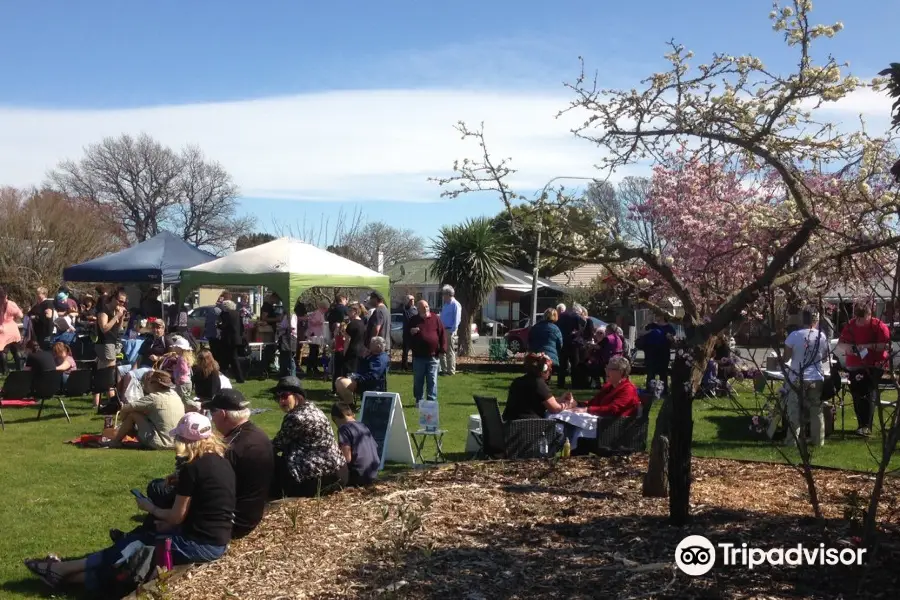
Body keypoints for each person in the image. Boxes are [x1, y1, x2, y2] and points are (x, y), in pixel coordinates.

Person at [25, 412, 235, 594]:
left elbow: (175, 516)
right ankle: (63, 572)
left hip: (202, 544)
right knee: (136, 543)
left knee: (133, 553)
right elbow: (207, 504)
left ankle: (62, 572)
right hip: (215, 538)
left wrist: (150, 507)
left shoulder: (193, 468)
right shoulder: (219, 461)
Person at [204, 389, 274, 538]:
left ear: (223, 414)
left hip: (232, 523)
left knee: (160, 490)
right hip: (250, 514)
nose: (212, 418)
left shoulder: (233, 447)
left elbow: (210, 487)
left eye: (212, 412)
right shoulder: (257, 435)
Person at [270, 376, 348, 497]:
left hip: (321, 479)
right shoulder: (313, 408)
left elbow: (276, 445)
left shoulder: (295, 417)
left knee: (267, 459)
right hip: (339, 471)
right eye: (277, 398)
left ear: (297, 395)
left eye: (284, 396)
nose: (281, 401)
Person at [837, 305, 890, 437]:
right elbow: (841, 344)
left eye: (863, 319)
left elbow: (884, 346)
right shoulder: (851, 325)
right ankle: (861, 424)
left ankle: (866, 425)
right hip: (854, 364)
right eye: (858, 318)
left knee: (867, 392)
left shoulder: (878, 326)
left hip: (873, 365)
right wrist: (851, 349)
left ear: (869, 315)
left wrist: (867, 346)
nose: (860, 322)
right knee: (856, 394)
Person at [783, 310, 830, 447]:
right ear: (815, 321)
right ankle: (818, 441)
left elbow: (786, 357)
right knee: (816, 410)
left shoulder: (794, 336)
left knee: (794, 410)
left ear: (801, 320)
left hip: (798, 376)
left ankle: (792, 440)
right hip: (815, 376)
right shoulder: (821, 336)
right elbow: (825, 357)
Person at [110, 370, 185, 450]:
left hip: (160, 443)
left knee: (133, 414)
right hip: (178, 442)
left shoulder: (153, 397)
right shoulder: (175, 395)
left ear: (155, 384)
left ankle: (115, 441)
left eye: (149, 382)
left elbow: (125, 408)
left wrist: (125, 422)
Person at [503, 352, 574, 421]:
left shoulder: (517, 381)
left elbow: (541, 399)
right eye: (550, 370)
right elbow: (555, 409)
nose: (550, 373)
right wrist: (568, 404)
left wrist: (561, 399)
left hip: (509, 426)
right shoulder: (538, 383)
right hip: (529, 426)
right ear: (544, 370)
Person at [566, 356, 641, 417]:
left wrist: (587, 410)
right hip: (601, 424)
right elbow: (593, 403)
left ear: (620, 372)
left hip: (614, 429)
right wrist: (577, 404)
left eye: (610, 369)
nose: (606, 371)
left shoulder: (628, 389)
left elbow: (613, 409)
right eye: (606, 368)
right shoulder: (609, 386)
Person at [406, 299, 446, 405]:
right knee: (418, 380)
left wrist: (443, 349)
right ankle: (419, 400)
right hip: (418, 356)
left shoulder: (435, 318)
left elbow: (442, 334)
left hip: (433, 356)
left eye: (427, 306)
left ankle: (431, 401)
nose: (426, 308)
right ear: (418, 309)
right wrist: (411, 332)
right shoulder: (413, 320)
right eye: (423, 307)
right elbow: (406, 335)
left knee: (432, 380)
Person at [330, 402, 379, 487]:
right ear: (352, 414)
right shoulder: (363, 425)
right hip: (373, 470)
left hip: (358, 474)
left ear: (335, 418)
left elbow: (347, 458)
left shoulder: (344, 429)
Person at [93, 288, 127, 407]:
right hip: (105, 344)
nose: (121, 304)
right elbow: (104, 328)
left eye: (124, 302)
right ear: (113, 298)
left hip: (111, 343)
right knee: (109, 373)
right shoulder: (104, 311)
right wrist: (116, 316)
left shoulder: (114, 312)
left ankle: (96, 402)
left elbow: (118, 330)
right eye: (120, 301)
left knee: (102, 373)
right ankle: (112, 400)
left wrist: (121, 317)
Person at [335, 336, 390, 404]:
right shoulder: (372, 355)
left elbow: (373, 375)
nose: (369, 345)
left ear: (378, 346)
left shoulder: (380, 359)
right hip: (363, 381)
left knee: (341, 382)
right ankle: (347, 402)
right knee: (339, 380)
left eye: (372, 344)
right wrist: (363, 357)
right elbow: (363, 368)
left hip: (370, 385)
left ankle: (349, 404)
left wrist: (357, 377)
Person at [642, 313, 677, 395]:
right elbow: (642, 331)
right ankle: (650, 389)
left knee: (663, 372)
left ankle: (664, 390)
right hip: (651, 352)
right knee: (651, 372)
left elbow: (673, 338)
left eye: (657, 315)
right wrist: (647, 321)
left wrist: (669, 337)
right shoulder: (652, 325)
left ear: (663, 316)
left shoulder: (669, 327)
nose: (656, 316)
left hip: (663, 352)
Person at [555, 305, 586, 388]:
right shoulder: (577, 317)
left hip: (563, 342)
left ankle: (560, 383)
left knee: (562, 364)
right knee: (574, 364)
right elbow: (583, 325)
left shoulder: (561, 316)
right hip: (573, 343)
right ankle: (575, 384)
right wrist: (578, 333)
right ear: (578, 311)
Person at [217, 299, 245, 384]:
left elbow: (224, 325)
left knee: (230, 358)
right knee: (231, 358)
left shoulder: (226, 314)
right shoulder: (237, 314)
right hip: (236, 339)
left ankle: (239, 378)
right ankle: (236, 377)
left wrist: (218, 325)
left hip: (228, 339)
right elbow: (242, 327)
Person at [0, 286, 24, 374]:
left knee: (3, 351)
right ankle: (20, 369)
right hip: (12, 328)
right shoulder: (11, 304)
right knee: (16, 350)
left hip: (2, 329)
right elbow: (20, 315)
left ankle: (4, 371)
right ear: (6, 295)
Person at [439, 285, 461, 376]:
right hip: (442, 330)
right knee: (442, 350)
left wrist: (452, 331)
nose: (443, 296)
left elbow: (457, 319)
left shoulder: (455, 304)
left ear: (448, 294)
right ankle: (443, 370)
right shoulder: (445, 305)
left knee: (449, 351)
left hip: (449, 331)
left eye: (444, 294)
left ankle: (451, 370)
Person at [343, 302, 367, 376]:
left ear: (355, 312)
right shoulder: (362, 323)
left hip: (352, 349)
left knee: (349, 372)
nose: (348, 313)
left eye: (350, 311)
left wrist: (344, 352)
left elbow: (347, 339)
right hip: (361, 350)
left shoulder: (352, 324)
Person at [306, 300, 327, 377]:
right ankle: (311, 368)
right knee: (313, 352)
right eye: (325, 308)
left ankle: (313, 367)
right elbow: (313, 322)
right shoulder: (317, 313)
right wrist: (322, 323)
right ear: (322, 307)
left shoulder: (319, 313)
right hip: (314, 334)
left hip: (316, 334)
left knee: (315, 351)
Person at [277, 304, 298, 377]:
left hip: (289, 339)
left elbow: (292, 327)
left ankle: (292, 375)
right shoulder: (286, 315)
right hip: (285, 338)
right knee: (284, 357)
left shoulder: (291, 315)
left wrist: (281, 328)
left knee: (290, 358)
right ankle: (284, 374)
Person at [400, 295, 417, 370]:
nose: (412, 301)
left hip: (414, 334)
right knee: (405, 351)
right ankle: (404, 366)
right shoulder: (405, 309)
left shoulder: (415, 309)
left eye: (413, 299)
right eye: (410, 300)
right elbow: (408, 319)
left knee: (415, 351)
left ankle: (414, 365)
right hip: (407, 333)